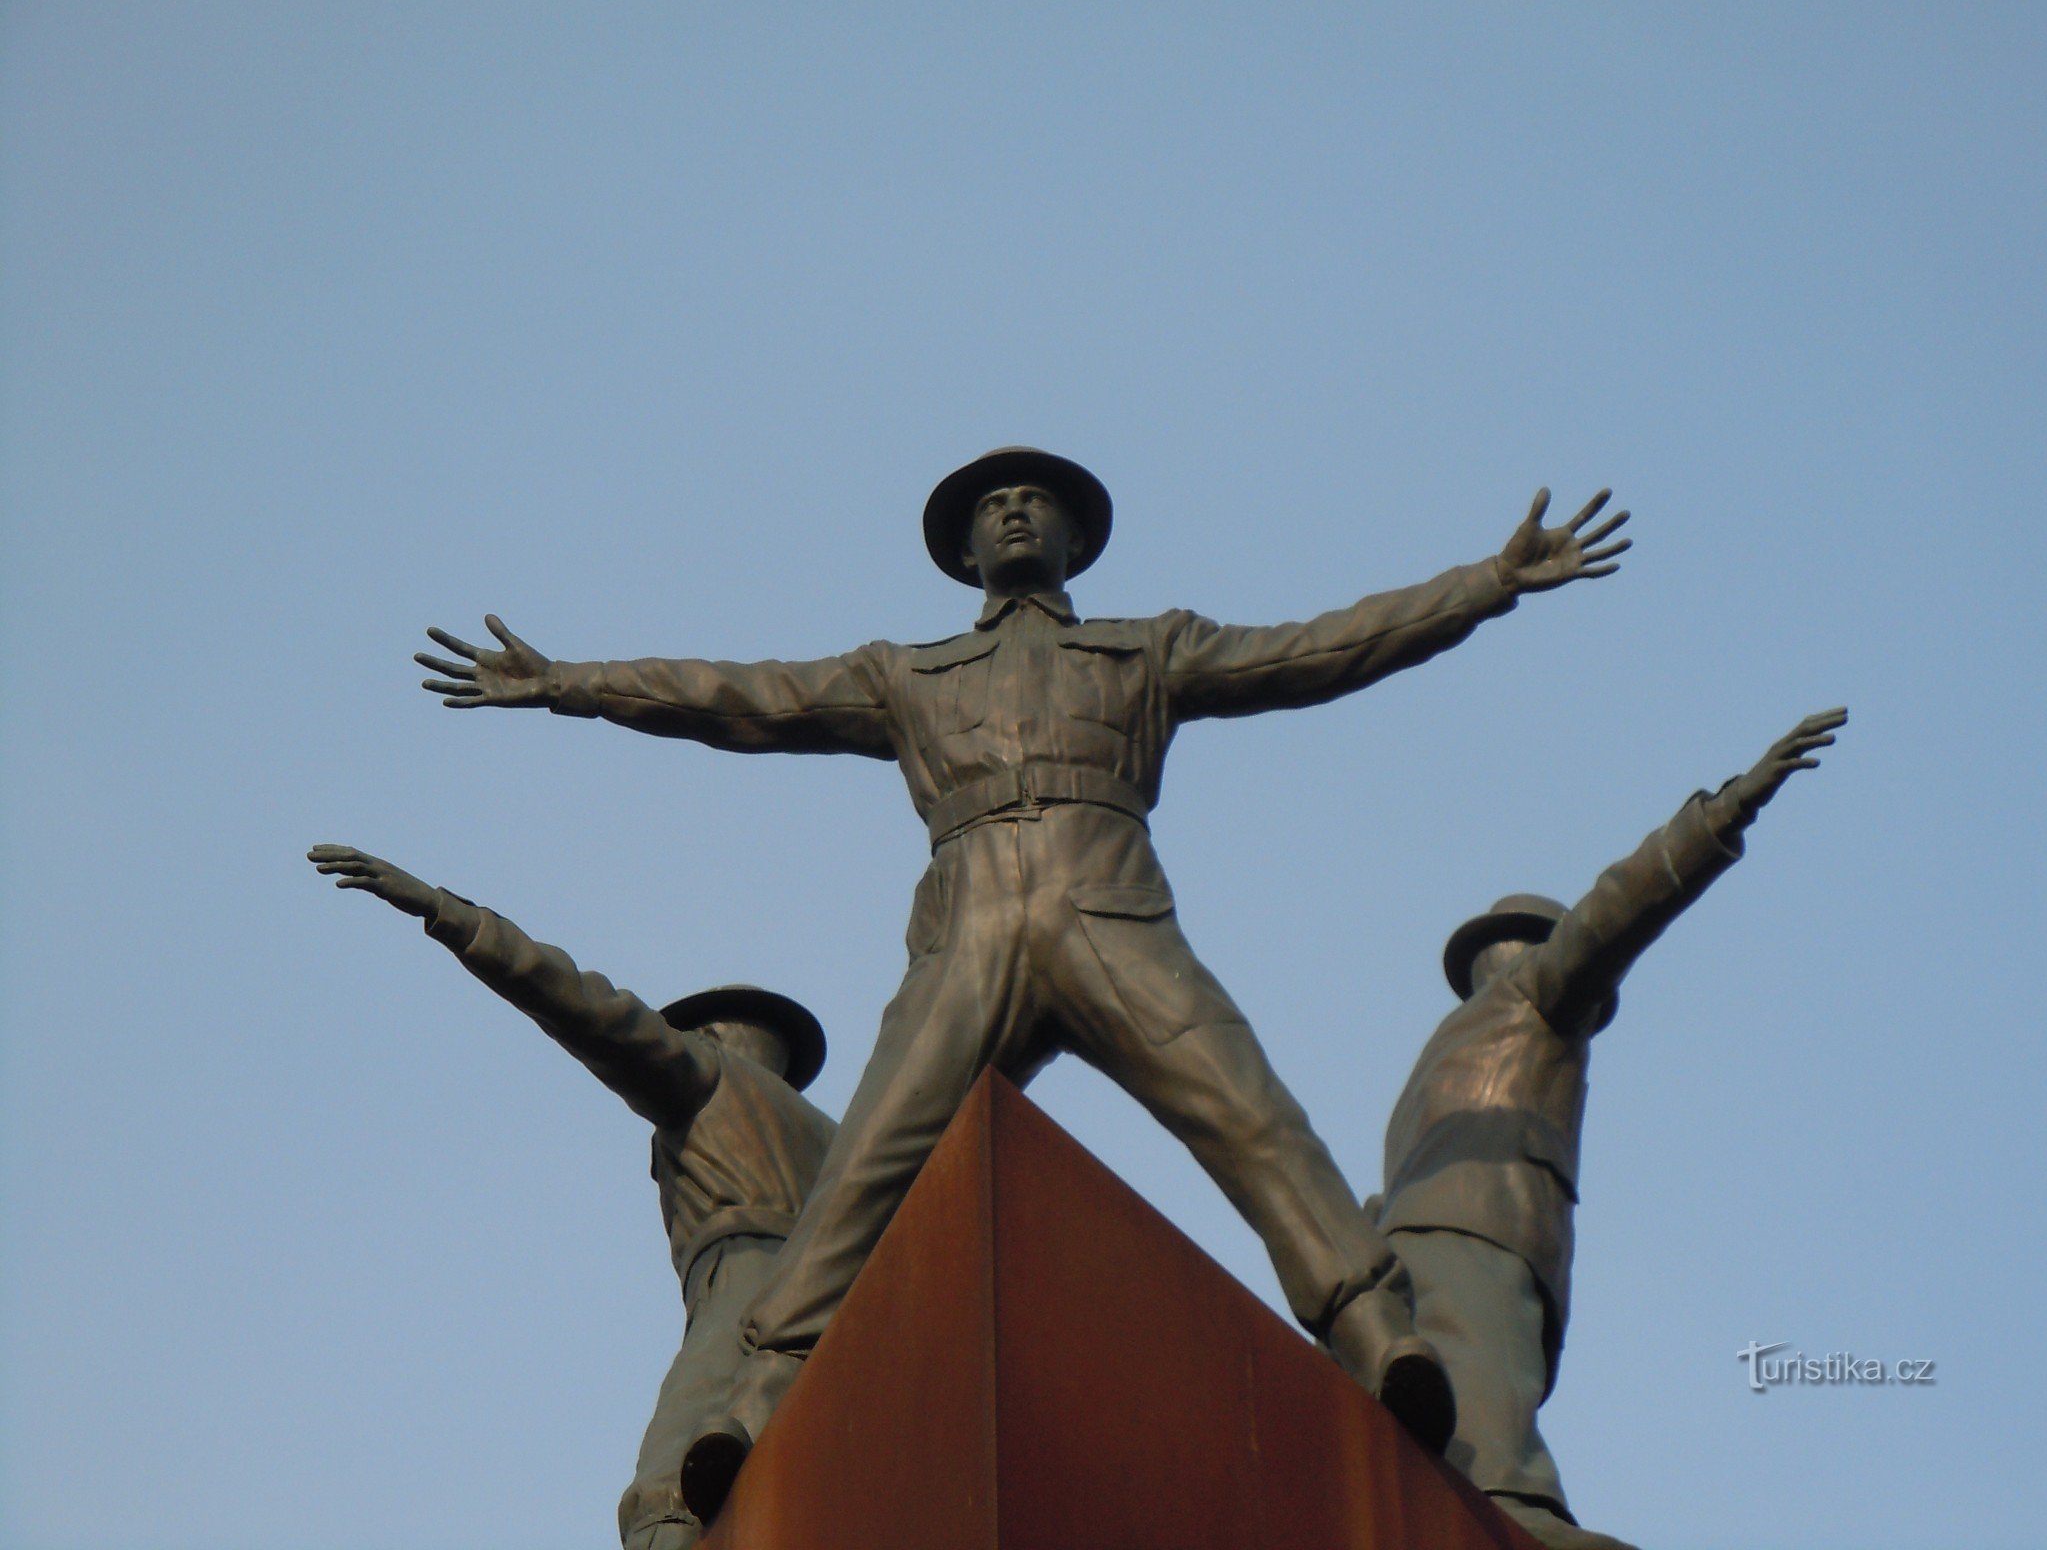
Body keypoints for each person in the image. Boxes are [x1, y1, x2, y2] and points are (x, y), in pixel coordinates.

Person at [414, 447, 1632, 1513]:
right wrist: (565, 681)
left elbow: (1318, 650)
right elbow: (745, 697)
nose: (1011, 514)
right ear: (959, 547)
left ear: (1072, 536)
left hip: (1112, 911)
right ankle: (755, 1406)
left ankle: (1377, 1333)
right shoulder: (909, 674)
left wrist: (1486, 583)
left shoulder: (1146, 648)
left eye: (1034, 501)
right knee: (859, 1185)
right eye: (991, 504)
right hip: (969, 935)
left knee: (1255, 1122)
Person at [1376, 708, 1847, 1550]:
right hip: (1421, 1238)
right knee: (1432, 1410)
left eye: (1517, 943)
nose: (1499, 957)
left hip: (1480, 1229)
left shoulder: (1537, 1005)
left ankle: (1521, 1520)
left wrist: (1723, 812)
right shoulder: (1454, 1043)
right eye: (1492, 944)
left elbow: (1616, 909)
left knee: (1485, 1433)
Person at [305, 844, 836, 1550]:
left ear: (707, 1038)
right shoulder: (836, 1139)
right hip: (838, 1296)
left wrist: (450, 915)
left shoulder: (707, 1081)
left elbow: (584, 1007)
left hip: (743, 1276)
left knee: (666, 1488)